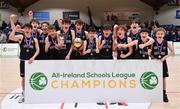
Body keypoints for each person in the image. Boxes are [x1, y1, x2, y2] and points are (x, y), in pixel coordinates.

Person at [9, 24, 40, 103]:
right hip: (23, 61)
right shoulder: (21, 37)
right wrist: (15, 29)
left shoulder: (35, 39)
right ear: (24, 29)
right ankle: (24, 94)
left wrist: (33, 57)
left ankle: (32, 93)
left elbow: (38, 50)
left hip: (32, 62)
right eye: (26, 28)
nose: (27, 30)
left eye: (29, 28)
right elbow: (10, 37)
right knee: (23, 78)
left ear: (31, 30)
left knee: (33, 78)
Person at [151, 27, 174, 102]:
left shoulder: (166, 42)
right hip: (154, 63)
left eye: (161, 34)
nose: (160, 35)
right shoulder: (152, 42)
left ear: (164, 34)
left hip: (162, 62)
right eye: (158, 34)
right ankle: (155, 93)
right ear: (155, 34)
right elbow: (149, 52)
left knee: (163, 78)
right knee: (154, 78)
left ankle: (164, 94)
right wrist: (152, 57)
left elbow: (172, 52)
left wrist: (165, 57)